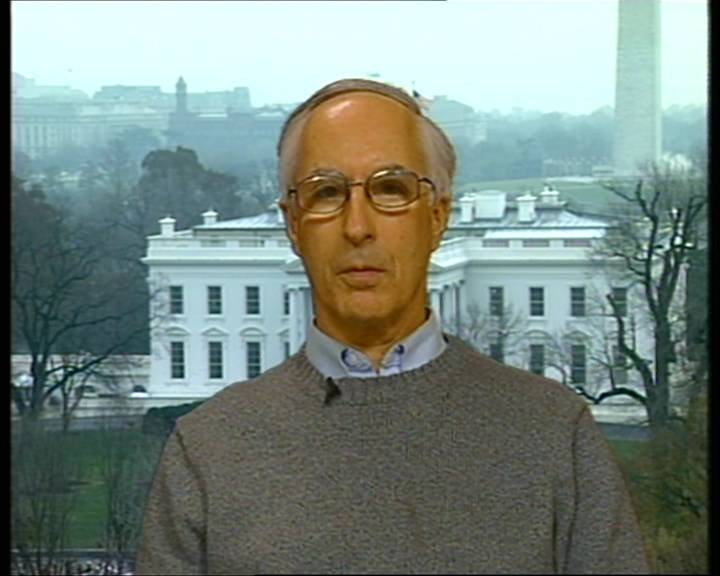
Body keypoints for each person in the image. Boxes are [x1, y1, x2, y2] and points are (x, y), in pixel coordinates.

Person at [134, 78, 649, 574]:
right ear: (293, 224)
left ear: (438, 216)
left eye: (391, 189)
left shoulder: (553, 434)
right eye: (326, 193)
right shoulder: (208, 450)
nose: (358, 227)